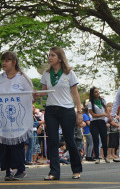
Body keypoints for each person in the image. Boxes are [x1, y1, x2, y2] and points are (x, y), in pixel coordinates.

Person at [37, 46, 83, 180]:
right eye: (49, 55)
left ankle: (76, 169)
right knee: (52, 141)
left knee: (69, 140)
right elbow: (43, 92)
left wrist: (79, 112)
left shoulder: (69, 73)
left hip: (67, 110)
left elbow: (75, 94)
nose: (50, 58)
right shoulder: (46, 74)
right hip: (51, 110)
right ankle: (54, 172)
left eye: (52, 55)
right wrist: (35, 95)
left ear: (60, 58)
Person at [0, 51, 34, 181]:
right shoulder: (1, 78)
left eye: (7, 60)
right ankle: (7, 171)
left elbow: (31, 97)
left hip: (19, 119)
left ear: (14, 62)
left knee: (17, 145)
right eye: (3, 60)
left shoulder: (23, 78)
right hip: (4, 120)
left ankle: (20, 170)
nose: (4, 63)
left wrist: (33, 96)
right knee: (4, 145)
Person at [88, 87, 110, 164]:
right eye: (95, 92)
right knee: (96, 140)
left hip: (102, 122)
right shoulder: (90, 103)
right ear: (92, 94)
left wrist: (107, 117)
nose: (97, 93)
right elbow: (93, 115)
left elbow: (107, 112)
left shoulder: (103, 100)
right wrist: (103, 114)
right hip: (94, 123)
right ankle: (97, 157)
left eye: (98, 91)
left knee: (104, 139)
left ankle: (106, 156)